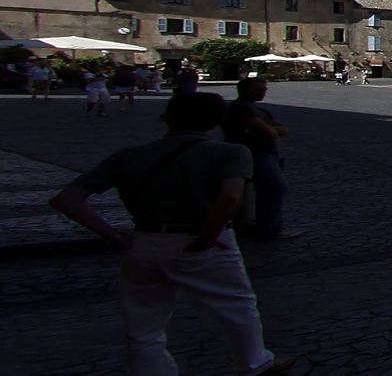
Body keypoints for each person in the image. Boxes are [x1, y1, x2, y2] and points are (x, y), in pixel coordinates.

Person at [47, 92, 296, 375]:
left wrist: (112, 235)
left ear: (167, 119)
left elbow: (66, 199)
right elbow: (229, 198)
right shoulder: (231, 152)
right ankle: (255, 363)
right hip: (205, 241)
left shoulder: (129, 156)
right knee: (235, 305)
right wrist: (206, 236)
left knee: (143, 324)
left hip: (145, 241)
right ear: (217, 122)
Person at [222, 79, 295, 241]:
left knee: (268, 189)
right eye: (258, 89)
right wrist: (273, 130)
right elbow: (270, 132)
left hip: (266, 153)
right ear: (243, 90)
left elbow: (281, 129)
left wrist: (274, 129)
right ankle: (269, 228)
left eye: (264, 89)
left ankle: (259, 223)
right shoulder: (241, 108)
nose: (263, 92)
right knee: (275, 187)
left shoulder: (256, 108)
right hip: (254, 154)